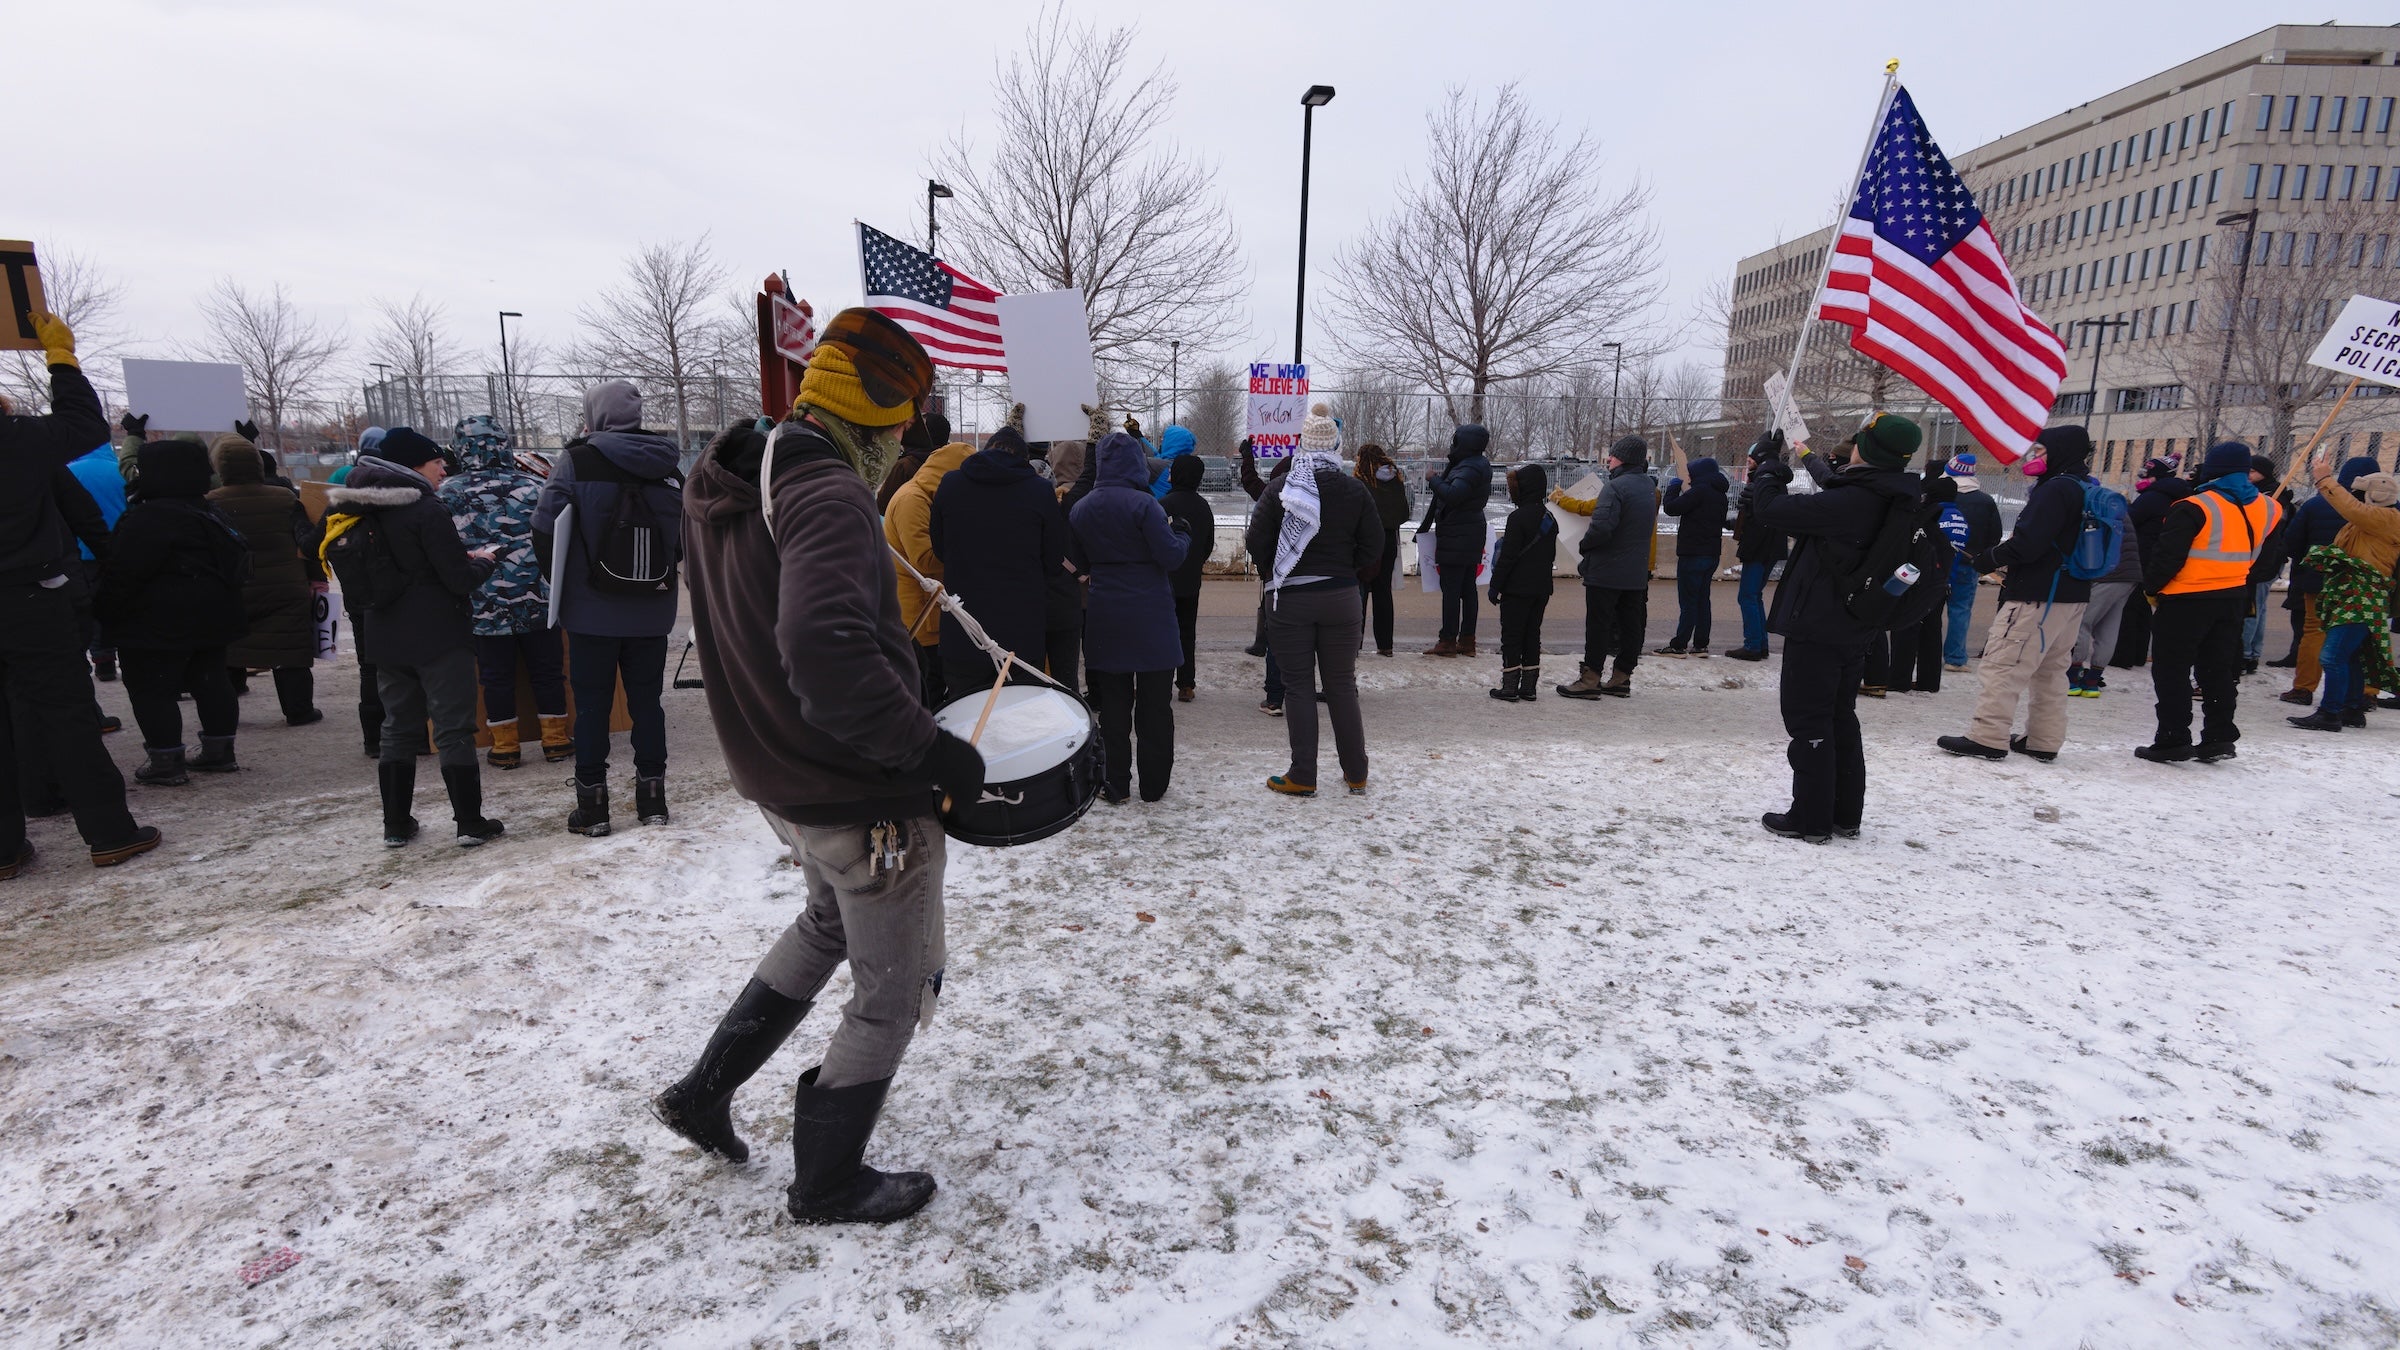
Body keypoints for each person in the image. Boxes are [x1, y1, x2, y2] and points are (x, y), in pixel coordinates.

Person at [662, 307, 982, 1226]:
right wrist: (931, 750)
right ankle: (828, 1181)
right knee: (892, 985)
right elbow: (822, 648)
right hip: (859, 788)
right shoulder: (831, 491)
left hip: (783, 773)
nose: (897, 451)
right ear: (883, 420)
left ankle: (701, 1093)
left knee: (824, 923)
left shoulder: (729, 475)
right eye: (900, 431)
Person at [0, 311, 160, 876]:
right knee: (67, 714)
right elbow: (81, 424)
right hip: (26, 595)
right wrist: (61, 358)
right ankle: (109, 832)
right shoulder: (15, 441)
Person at [321, 428, 505, 842]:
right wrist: (486, 561)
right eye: (435, 460)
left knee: (397, 729)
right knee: (453, 728)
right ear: (412, 466)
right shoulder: (425, 509)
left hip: (385, 633)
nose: (444, 467)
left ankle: (395, 824)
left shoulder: (356, 506)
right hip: (438, 634)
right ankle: (470, 823)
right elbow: (457, 580)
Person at [1747, 413, 1924, 842]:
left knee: (1809, 721)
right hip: (1854, 623)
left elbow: (1771, 509)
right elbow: (1836, 484)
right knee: (1839, 717)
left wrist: (1769, 466)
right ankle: (1844, 813)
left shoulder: (1854, 502)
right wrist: (1803, 455)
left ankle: (1811, 818)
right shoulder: (1892, 493)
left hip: (1820, 625)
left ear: (1870, 449)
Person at [534, 382, 685, 835]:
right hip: (652, 609)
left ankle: (593, 808)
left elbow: (544, 527)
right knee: (648, 703)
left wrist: (562, 581)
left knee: (594, 704)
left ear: (594, 414)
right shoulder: (670, 466)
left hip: (590, 611)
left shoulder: (576, 461)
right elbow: (684, 536)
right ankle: (653, 801)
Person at [1936, 426, 2097, 764]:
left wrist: (1989, 559)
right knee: (2051, 671)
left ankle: (1987, 736)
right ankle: (2043, 739)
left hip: (2036, 595)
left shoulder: (2054, 490)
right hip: (2072, 595)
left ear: (2059, 452)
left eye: (2041, 451)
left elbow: (2028, 542)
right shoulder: (2087, 488)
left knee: (2003, 666)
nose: (2034, 457)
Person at [96, 440, 251, 784]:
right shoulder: (210, 512)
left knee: (152, 689)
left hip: (155, 622)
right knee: (211, 680)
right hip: (214, 615)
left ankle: (166, 760)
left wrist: (105, 612)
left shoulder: (148, 517)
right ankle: (219, 751)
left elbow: (123, 574)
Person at [1246, 403, 1382, 795]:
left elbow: (1256, 540)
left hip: (1291, 601)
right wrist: (1343, 569)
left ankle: (1303, 773)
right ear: (1336, 445)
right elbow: (1373, 545)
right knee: (1342, 685)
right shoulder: (1355, 489)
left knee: (1298, 686)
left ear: (1302, 444)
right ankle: (1356, 771)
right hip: (1341, 596)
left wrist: (1277, 570)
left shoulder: (1282, 488)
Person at [2134, 440, 2286, 763]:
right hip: (2233, 597)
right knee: (2217, 669)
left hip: (2184, 599)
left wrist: (2151, 588)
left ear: (2212, 471)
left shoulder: (2193, 507)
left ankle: (2173, 738)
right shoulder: (2270, 508)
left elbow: (2166, 558)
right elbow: (2269, 560)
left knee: (2172, 670)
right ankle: (2219, 737)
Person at [440, 415, 568, 770]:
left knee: (495, 677)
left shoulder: (447, 492)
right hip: (538, 599)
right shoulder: (534, 486)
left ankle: (505, 747)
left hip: (481, 604)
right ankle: (556, 741)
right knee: (548, 672)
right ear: (504, 445)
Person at [1071, 431, 1190, 802]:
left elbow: (1079, 563)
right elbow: (1171, 556)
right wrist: (1183, 535)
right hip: (1151, 615)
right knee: (1155, 706)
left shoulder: (1082, 508)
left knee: (1114, 707)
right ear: (1138, 462)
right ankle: (1153, 786)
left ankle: (1115, 783)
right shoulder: (1146, 506)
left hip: (1106, 615)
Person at [928, 402, 1076, 698]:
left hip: (964, 629)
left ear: (987, 450)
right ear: (1023, 460)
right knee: (1018, 720)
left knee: (966, 720)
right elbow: (1052, 559)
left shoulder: (951, 484)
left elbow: (940, 548)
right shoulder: (1039, 492)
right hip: (1021, 633)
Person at [207, 433, 324, 727]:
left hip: (233, 588)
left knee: (230, 649)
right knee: (290, 651)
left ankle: (227, 711)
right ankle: (299, 710)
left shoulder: (210, 502)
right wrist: (316, 578)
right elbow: (305, 541)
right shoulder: (284, 498)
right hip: (286, 586)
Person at [2286, 459, 2400, 732]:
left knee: (2332, 656)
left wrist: (2325, 480)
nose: (2356, 498)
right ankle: (2352, 708)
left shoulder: (2386, 518)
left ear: (2375, 496)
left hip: (2362, 596)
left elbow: (2351, 508)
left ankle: (2330, 713)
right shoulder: (2370, 522)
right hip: (2351, 593)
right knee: (2350, 655)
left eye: (2360, 494)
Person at [1554, 435, 1659, 699]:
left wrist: (1585, 546)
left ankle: (1590, 680)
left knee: (1599, 626)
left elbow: (1602, 528)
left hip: (1607, 571)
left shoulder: (1615, 488)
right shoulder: (1649, 487)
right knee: (1630, 625)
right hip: (1635, 572)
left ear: (1622, 458)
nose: (1609, 459)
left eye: (1612, 455)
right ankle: (1622, 677)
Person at [881, 412, 970, 708]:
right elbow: (925, 562)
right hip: (920, 618)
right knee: (928, 694)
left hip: (932, 612)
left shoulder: (927, 496)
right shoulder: (912, 501)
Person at [2276, 455, 2381, 708]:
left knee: (2314, 632)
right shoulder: (2384, 510)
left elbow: (2291, 541)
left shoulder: (2316, 505)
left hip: (2318, 579)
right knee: (2366, 637)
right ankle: (2367, 691)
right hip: (2365, 585)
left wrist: (2309, 562)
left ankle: (2303, 688)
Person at [1486, 463, 1557, 701]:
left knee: (1512, 636)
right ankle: (1529, 687)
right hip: (1541, 589)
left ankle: (1509, 687)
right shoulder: (1550, 518)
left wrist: (1495, 585)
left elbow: (1508, 557)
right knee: (1532, 635)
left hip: (1516, 589)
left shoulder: (1518, 518)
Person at [1420, 425, 1493, 656]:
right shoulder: (1474, 463)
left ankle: (1448, 640)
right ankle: (1467, 640)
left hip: (1459, 534)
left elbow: (1454, 495)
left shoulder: (1470, 466)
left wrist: (1432, 480)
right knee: (1466, 588)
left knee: (1453, 589)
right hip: (1466, 532)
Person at [2067, 484, 2144, 698]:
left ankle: (2073, 676)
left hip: (2107, 574)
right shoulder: (2116, 507)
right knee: (2109, 626)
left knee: (2082, 620)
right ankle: (2092, 680)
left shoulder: (2094, 508)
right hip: (2129, 576)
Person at [1238, 437, 1293, 714]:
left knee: (1276, 636)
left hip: (1277, 576)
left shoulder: (1272, 494)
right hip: (1312, 577)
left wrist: (1265, 567)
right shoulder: (1321, 497)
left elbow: (1250, 482)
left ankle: (1274, 697)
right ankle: (1300, 694)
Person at [66, 435, 126, 683]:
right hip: (119, 548)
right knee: (120, 603)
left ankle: (103, 661)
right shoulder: (118, 471)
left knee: (89, 607)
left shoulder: (68, 472)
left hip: (81, 551)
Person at [1656, 454, 1729, 657]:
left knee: (1688, 601)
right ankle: (1700, 644)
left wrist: (1673, 487)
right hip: (1711, 554)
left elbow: (1671, 508)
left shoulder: (1699, 491)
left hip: (1692, 553)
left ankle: (1679, 644)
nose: (1688, 476)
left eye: (1690, 473)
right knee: (1702, 599)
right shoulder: (1719, 494)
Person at [1725, 432, 1787, 662]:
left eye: (1751, 457)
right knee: (1754, 595)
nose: (1748, 460)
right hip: (1766, 546)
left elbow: (1763, 516)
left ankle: (1753, 645)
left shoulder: (1765, 479)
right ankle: (1759, 644)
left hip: (1761, 547)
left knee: (1748, 596)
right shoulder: (1769, 477)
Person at [1938, 452, 2002, 671]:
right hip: (1969, 563)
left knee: (1929, 609)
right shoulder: (1985, 501)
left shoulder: (1941, 496)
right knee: (1960, 610)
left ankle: (1923, 650)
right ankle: (1955, 658)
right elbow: (1995, 535)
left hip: (1938, 562)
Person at [1159, 452, 1214, 702]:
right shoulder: (1203, 506)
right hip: (1191, 580)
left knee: (1161, 629)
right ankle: (1186, 683)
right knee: (1186, 631)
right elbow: (1208, 544)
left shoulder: (1164, 504)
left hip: (1164, 579)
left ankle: (1159, 679)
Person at [1355, 443, 1412, 658]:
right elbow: (1404, 512)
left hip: (1365, 542)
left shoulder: (1362, 481)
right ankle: (1385, 645)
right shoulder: (1395, 480)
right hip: (1389, 540)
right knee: (1383, 593)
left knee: (1360, 593)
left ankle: (1355, 643)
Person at [1150, 424, 1196, 501]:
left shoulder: (1159, 466)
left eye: (1164, 440)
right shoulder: (1184, 466)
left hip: (1157, 509)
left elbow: (1137, 459)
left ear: (1170, 442)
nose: (1162, 442)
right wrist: (1138, 435)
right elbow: (1156, 455)